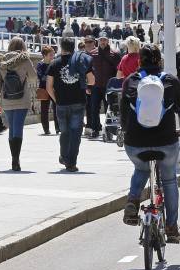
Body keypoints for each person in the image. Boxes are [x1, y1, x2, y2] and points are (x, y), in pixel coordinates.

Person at [120, 44, 180, 242]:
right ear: (159, 61)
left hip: (135, 142)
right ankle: (171, 227)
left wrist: (125, 131)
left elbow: (123, 113)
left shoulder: (131, 81)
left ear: (139, 61)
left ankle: (133, 202)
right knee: (169, 180)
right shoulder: (170, 81)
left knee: (141, 169)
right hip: (165, 141)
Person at [46, 37, 95, 172]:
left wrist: (56, 100)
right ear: (73, 47)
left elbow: (49, 87)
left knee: (65, 132)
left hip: (61, 103)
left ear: (61, 47)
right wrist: (82, 81)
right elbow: (92, 81)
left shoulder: (54, 64)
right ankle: (71, 163)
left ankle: (63, 155)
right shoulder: (81, 61)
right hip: (78, 102)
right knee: (75, 133)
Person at [0, 37, 38, 171]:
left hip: (6, 100)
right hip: (22, 99)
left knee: (12, 128)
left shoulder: (0, 61)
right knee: (18, 127)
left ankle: (14, 158)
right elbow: (34, 77)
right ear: (23, 46)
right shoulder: (24, 59)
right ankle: (16, 160)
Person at [87, 33, 121, 138]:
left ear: (108, 41)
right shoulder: (92, 54)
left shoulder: (114, 54)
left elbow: (118, 71)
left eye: (105, 40)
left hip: (109, 87)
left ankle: (109, 130)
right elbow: (87, 71)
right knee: (94, 108)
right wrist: (87, 86)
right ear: (98, 41)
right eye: (101, 39)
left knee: (109, 109)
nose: (103, 42)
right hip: (95, 86)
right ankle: (95, 129)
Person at [37, 45, 59, 135]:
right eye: (50, 55)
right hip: (44, 89)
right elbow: (41, 77)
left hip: (54, 89)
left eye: (53, 54)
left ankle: (58, 128)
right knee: (44, 109)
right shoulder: (40, 65)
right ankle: (46, 129)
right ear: (45, 55)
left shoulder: (54, 63)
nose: (52, 57)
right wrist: (50, 76)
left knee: (57, 108)